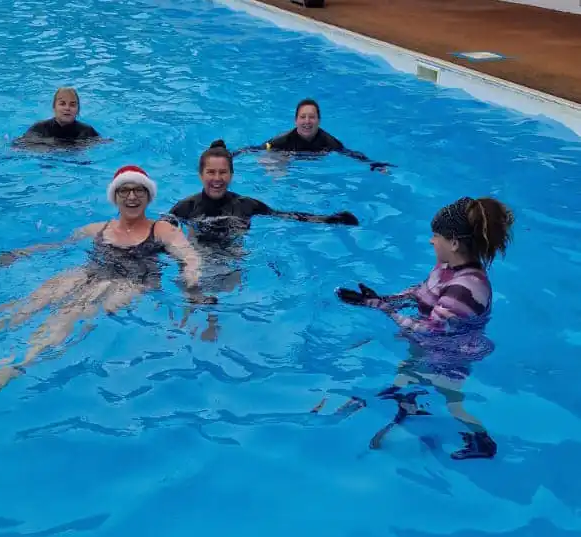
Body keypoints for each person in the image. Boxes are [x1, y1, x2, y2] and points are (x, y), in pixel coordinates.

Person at [0, 165, 214, 404]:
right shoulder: (98, 229)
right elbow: (56, 245)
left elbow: (188, 256)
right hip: (89, 272)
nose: (131, 196)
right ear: (114, 196)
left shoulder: (162, 229)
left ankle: (10, 369)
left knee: (72, 312)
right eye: (124, 190)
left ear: (148, 196)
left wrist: (191, 281)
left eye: (138, 190)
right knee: (36, 299)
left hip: (131, 281)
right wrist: (18, 254)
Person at [333, 196, 514, 459]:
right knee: (405, 376)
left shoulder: (466, 288)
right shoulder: (446, 267)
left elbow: (430, 330)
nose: (431, 241)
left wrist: (381, 309)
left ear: (453, 242)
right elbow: (419, 291)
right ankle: (410, 408)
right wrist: (383, 298)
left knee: (452, 402)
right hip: (429, 343)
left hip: (450, 353)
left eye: (436, 235)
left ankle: (483, 442)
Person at [167, 139, 360, 244]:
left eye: (223, 172)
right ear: (200, 175)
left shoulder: (246, 205)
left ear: (232, 174)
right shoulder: (185, 208)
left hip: (233, 261)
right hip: (198, 259)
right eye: (211, 172)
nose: (217, 178)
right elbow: (156, 235)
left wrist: (327, 220)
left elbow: (286, 216)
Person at [234, 99, 393, 172]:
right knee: (272, 164)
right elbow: (256, 148)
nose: (307, 121)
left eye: (312, 117)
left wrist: (373, 163)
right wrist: (232, 155)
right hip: (286, 156)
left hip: (312, 161)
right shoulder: (283, 140)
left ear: (319, 120)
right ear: (296, 120)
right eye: (303, 117)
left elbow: (350, 153)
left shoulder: (328, 141)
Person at [12, 87, 101, 149]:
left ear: (78, 110)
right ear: (54, 107)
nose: (67, 108)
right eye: (62, 104)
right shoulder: (39, 128)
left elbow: (104, 144)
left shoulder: (86, 131)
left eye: (72, 104)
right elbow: (18, 146)